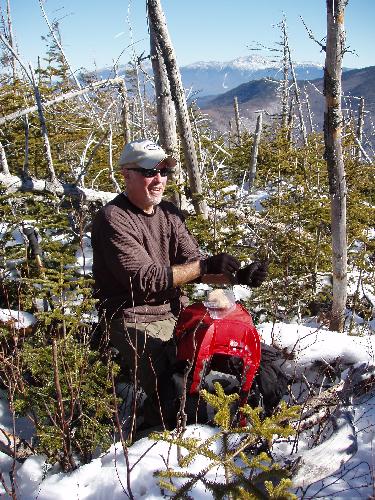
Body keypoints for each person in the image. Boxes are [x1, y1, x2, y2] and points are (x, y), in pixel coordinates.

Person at [91, 138, 267, 405]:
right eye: (149, 172)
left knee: (241, 361)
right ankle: (154, 436)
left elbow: (194, 267)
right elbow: (145, 280)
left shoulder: (170, 214)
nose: (159, 179)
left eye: (164, 171)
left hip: (177, 313)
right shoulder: (113, 218)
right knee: (177, 390)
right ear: (126, 174)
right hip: (132, 318)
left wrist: (237, 276)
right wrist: (204, 266)